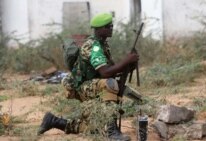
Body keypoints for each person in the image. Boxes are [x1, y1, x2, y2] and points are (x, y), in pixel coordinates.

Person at [37, 13, 140, 141]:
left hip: (93, 86)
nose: (111, 28)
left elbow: (112, 71)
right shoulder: (93, 46)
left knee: (95, 127)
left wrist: (129, 66)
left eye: (111, 26)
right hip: (82, 87)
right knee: (110, 84)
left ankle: (54, 121)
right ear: (100, 29)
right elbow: (105, 73)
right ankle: (111, 131)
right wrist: (126, 60)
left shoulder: (103, 45)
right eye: (108, 26)